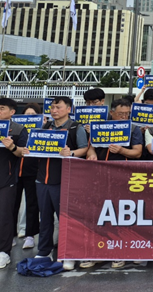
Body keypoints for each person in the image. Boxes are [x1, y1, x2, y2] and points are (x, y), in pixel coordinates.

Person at [23, 96, 88, 270]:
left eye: (58, 107)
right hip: (42, 179)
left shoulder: (76, 128)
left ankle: (67, 252)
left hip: (64, 180)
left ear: (69, 109)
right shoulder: (45, 127)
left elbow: (85, 148)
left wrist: (71, 153)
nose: (54, 110)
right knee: (45, 218)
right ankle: (44, 250)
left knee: (65, 219)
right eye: (52, 107)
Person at [83, 98, 144, 269]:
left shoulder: (133, 129)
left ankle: (119, 252)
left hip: (123, 177)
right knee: (100, 213)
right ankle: (98, 252)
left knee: (120, 214)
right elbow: (91, 146)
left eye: (127, 114)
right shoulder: (101, 126)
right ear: (112, 113)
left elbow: (138, 153)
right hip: (100, 176)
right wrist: (92, 153)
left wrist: (122, 150)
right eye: (120, 114)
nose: (124, 116)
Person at [0, 97, 28, 269]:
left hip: (7, 179)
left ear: (12, 112)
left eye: (2, 108)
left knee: (4, 216)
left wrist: (12, 147)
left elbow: (23, 152)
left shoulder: (18, 129)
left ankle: (4, 252)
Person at [13, 103, 41, 250]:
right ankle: (11, 233)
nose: (28, 118)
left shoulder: (41, 130)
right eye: (26, 115)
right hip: (15, 171)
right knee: (13, 204)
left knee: (32, 204)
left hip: (32, 171)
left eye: (32, 115)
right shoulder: (16, 130)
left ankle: (30, 235)